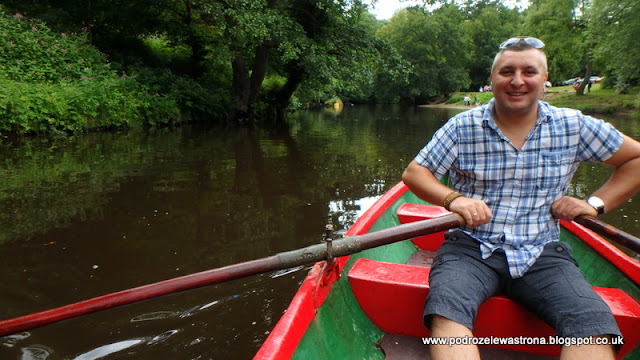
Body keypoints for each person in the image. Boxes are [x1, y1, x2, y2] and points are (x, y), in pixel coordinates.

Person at [402, 36, 640, 359]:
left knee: (592, 322)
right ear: (492, 79)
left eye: (529, 72)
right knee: (447, 308)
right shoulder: (462, 126)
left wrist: (593, 204)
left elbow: (635, 159)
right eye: (506, 71)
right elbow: (415, 173)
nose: (517, 81)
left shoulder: (574, 126)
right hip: (470, 246)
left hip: (541, 251)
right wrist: (455, 199)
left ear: (544, 81)